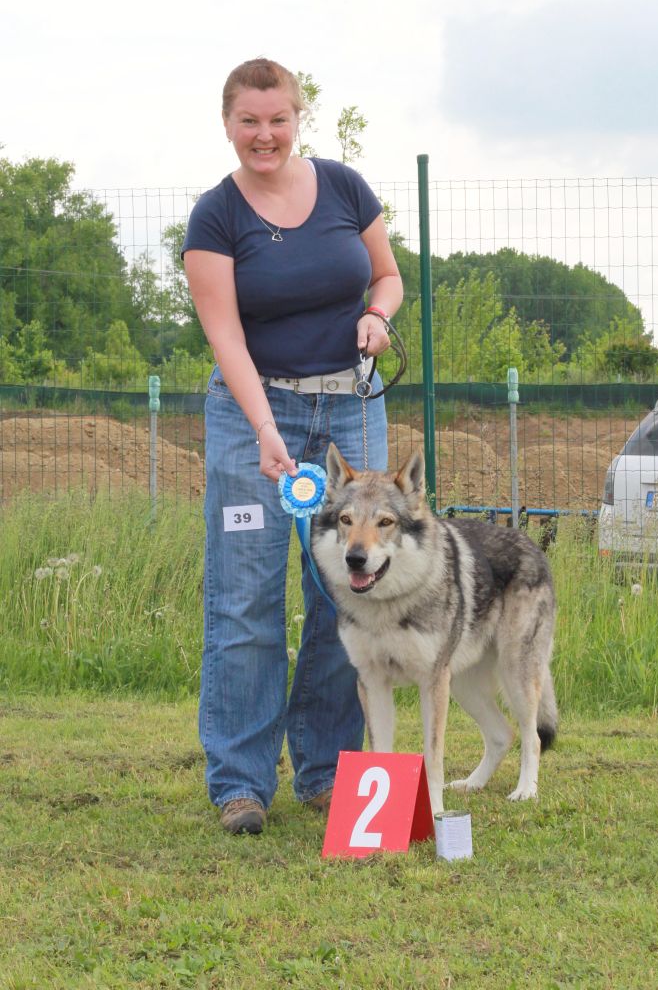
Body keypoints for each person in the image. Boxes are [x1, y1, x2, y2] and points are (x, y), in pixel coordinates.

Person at [182, 58, 403, 834]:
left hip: (352, 413)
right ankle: (240, 782)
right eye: (249, 121)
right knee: (246, 601)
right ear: (228, 124)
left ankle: (327, 774)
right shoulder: (215, 218)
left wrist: (379, 316)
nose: (264, 135)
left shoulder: (344, 188)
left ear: (297, 118)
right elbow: (225, 336)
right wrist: (267, 430)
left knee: (348, 595)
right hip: (255, 417)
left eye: (277, 120)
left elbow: (387, 276)